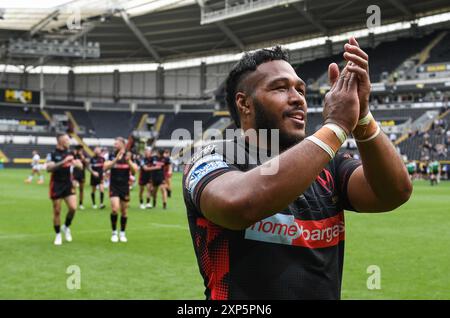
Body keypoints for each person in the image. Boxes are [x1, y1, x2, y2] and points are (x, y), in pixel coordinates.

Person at [182, 39, 412, 300]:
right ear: (244, 103)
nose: (297, 99)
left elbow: (394, 192)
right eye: (280, 88)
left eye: (301, 90)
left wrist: (363, 118)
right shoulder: (212, 156)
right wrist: (336, 126)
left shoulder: (329, 163)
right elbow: (239, 204)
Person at [46, 133, 83, 246]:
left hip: (68, 184)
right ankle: (58, 235)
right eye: (67, 140)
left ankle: (66, 227)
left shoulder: (71, 153)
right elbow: (49, 168)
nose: (69, 141)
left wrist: (76, 164)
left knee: (73, 208)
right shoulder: (52, 154)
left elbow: (81, 166)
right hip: (56, 185)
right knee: (57, 211)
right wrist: (64, 161)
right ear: (60, 141)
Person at [104, 137, 138, 243]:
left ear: (123, 144)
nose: (114, 145)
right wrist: (116, 160)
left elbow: (134, 171)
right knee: (115, 209)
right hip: (114, 186)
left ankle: (122, 233)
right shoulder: (110, 155)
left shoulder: (129, 155)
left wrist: (128, 161)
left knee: (124, 212)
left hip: (125, 187)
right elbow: (105, 168)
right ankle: (114, 232)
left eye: (116, 143)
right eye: (114, 143)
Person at [72, 145, 87, 210]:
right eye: (80, 150)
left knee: (81, 190)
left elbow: (87, 163)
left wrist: (82, 157)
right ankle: (73, 203)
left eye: (82, 150)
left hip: (82, 174)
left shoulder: (84, 155)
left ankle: (81, 204)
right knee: (74, 188)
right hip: (75, 173)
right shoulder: (73, 155)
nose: (81, 151)